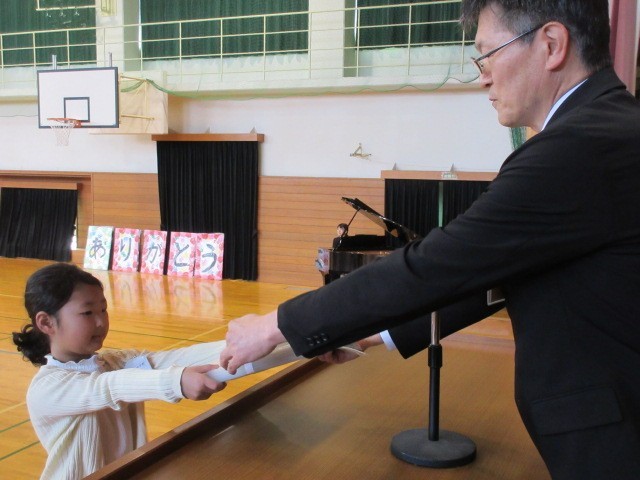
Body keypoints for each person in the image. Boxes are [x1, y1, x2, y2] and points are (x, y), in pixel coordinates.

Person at [219, 1, 640, 479]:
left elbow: (436, 266)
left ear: (551, 45)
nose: (482, 77)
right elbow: (496, 279)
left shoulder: (579, 148)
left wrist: (275, 325)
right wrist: (370, 333)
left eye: (487, 54)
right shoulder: (606, 127)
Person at [12, 263, 226, 479]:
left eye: (103, 310)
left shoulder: (116, 361)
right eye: (87, 313)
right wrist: (176, 381)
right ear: (46, 323)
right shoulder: (47, 388)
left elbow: (170, 360)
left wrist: (237, 346)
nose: (100, 322)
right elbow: (109, 387)